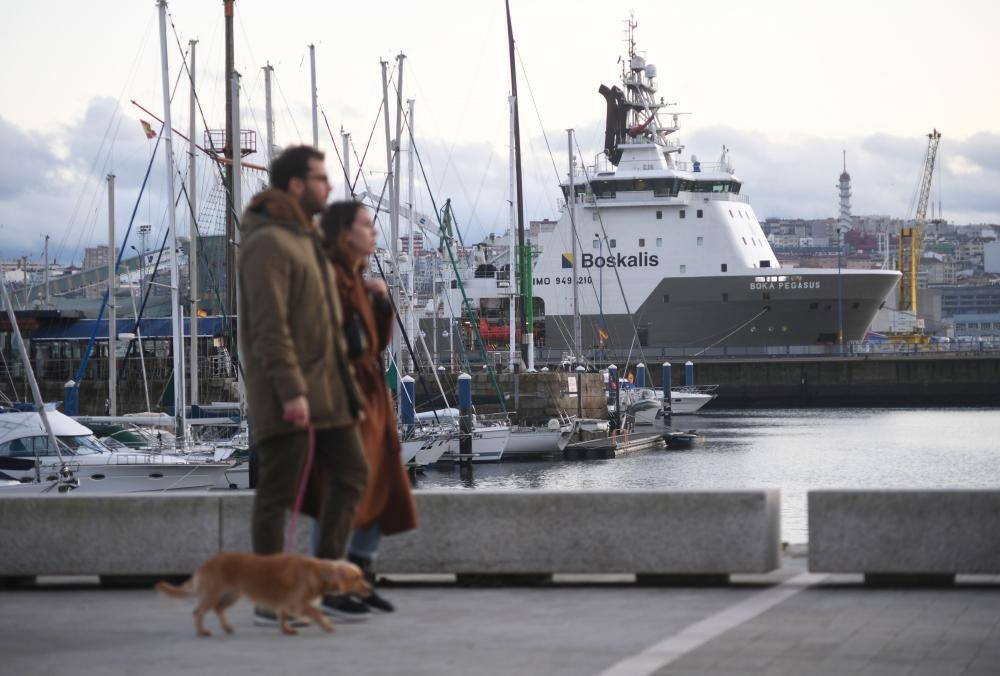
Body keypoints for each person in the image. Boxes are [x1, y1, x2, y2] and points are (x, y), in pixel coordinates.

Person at [237, 146, 369, 625]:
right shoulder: (268, 241)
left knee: (353, 472)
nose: (328, 186)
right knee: (279, 492)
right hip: (288, 392)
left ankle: (327, 583)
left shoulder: (303, 237)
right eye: (319, 178)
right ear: (296, 185)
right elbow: (269, 327)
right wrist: (291, 391)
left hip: (329, 389)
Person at [319, 200, 418, 613]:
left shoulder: (360, 282)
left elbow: (375, 344)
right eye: (365, 225)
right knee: (348, 488)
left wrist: (383, 304)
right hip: (347, 395)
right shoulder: (327, 281)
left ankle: (356, 572)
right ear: (345, 234)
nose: (373, 232)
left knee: (384, 484)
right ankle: (328, 582)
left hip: (371, 394)